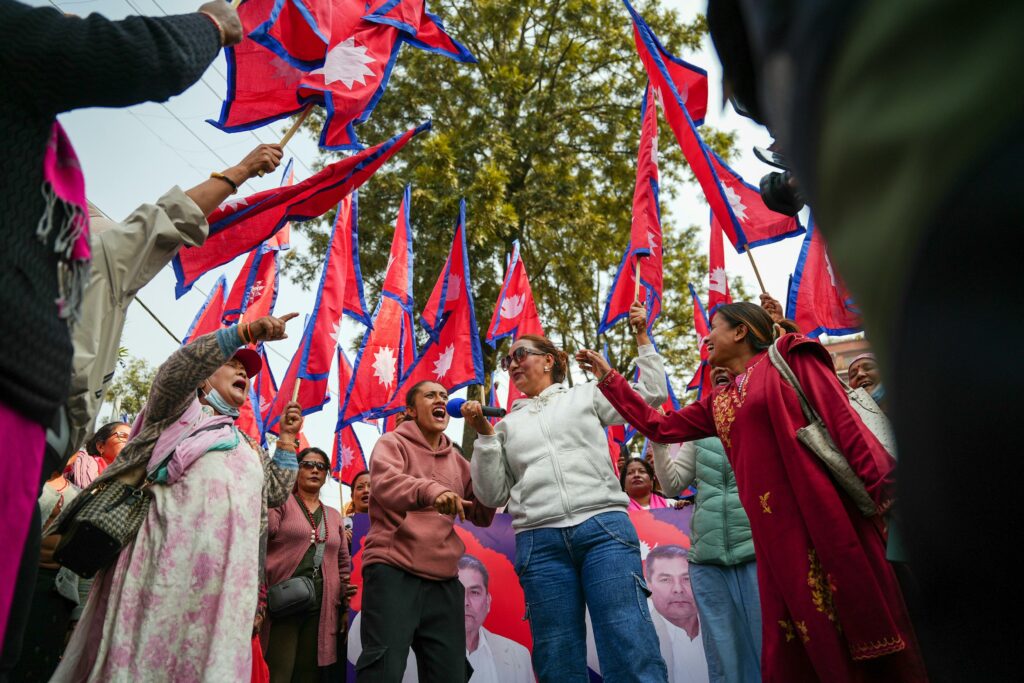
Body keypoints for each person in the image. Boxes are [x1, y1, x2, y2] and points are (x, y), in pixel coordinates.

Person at [0, 0, 243, 657]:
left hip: (34, 441)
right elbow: (139, 57)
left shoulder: (242, 453)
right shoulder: (104, 257)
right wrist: (210, 25)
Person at [579, 302, 927, 682]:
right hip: (773, 541)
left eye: (714, 327)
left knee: (860, 625)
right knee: (805, 642)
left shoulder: (790, 356)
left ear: (741, 330)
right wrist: (611, 380)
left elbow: (842, 419)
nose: (706, 338)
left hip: (824, 517)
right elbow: (661, 427)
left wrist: (886, 490)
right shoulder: (719, 402)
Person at [51, 314, 302, 681]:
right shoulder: (177, 415)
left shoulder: (248, 445)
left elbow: (277, 492)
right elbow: (177, 371)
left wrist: (287, 440)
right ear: (203, 378)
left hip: (223, 591)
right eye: (231, 363)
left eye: (246, 371)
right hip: (161, 576)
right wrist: (243, 333)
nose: (242, 372)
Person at [464, 301, 670, 682]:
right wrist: (485, 437)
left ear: (549, 361)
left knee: (629, 642)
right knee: (557, 659)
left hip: (604, 530)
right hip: (539, 544)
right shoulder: (505, 426)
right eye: (508, 361)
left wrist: (642, 338)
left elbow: (653, 394)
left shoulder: (588, 395)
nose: (512, 365)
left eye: (520, 355)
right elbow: (492, 495)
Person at [356, 381, 496, 682]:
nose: (440, 400)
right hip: (393, 569)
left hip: (444, 580)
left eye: (444, 396)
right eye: (430, 395)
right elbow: (386, 484)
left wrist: (487, 440)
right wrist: (432, 491)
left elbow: (483, 513)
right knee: (383, 669)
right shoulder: (391, 443)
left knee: (450, 674)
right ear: (410, 409)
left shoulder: (458, 462)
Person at [650, 369, 761, 683]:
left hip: (757, 552)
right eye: (715, 369)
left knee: (767, 645)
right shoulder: (699, 431)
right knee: (722, 655)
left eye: (728, 366)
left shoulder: (762, 417)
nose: (720, 371)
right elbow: (672, 485)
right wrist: (659, 440)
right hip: (706, 560)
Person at [263, 447, 351, 682]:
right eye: (308, 465)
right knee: (278, 673)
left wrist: (346, 606)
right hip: (283, 603)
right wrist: (275, 488)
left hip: (322, 606)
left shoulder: (334, 515)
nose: (315, 470)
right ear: (297, 470)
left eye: (321, 467)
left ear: (326, 475)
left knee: (308, 675)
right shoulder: (281, 502)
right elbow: (265, 532)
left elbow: (344, 563)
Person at [7, 471, 81, 682]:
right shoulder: (23, 483)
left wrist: (77, 618)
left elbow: (82, 568)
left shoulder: (80, 497)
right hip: (18, 587)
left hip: (56, 597)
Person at [458, 555, 534, 683]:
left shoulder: (519, 656)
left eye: (474, 592)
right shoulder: (420, 655)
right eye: (456, 592)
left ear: (487, 602)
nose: (465, 602)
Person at [645, 545, 710, 683]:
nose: (678, 589)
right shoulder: (639, 638)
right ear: (648, 585)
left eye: (687, 578)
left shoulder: (723, 629)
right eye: (665, 579)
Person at [66, 422, 130, 488]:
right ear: (100, 446)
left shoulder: (127, 480)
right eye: (123, 436)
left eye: (132, 438)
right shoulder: (80, 461)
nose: (130, 442)